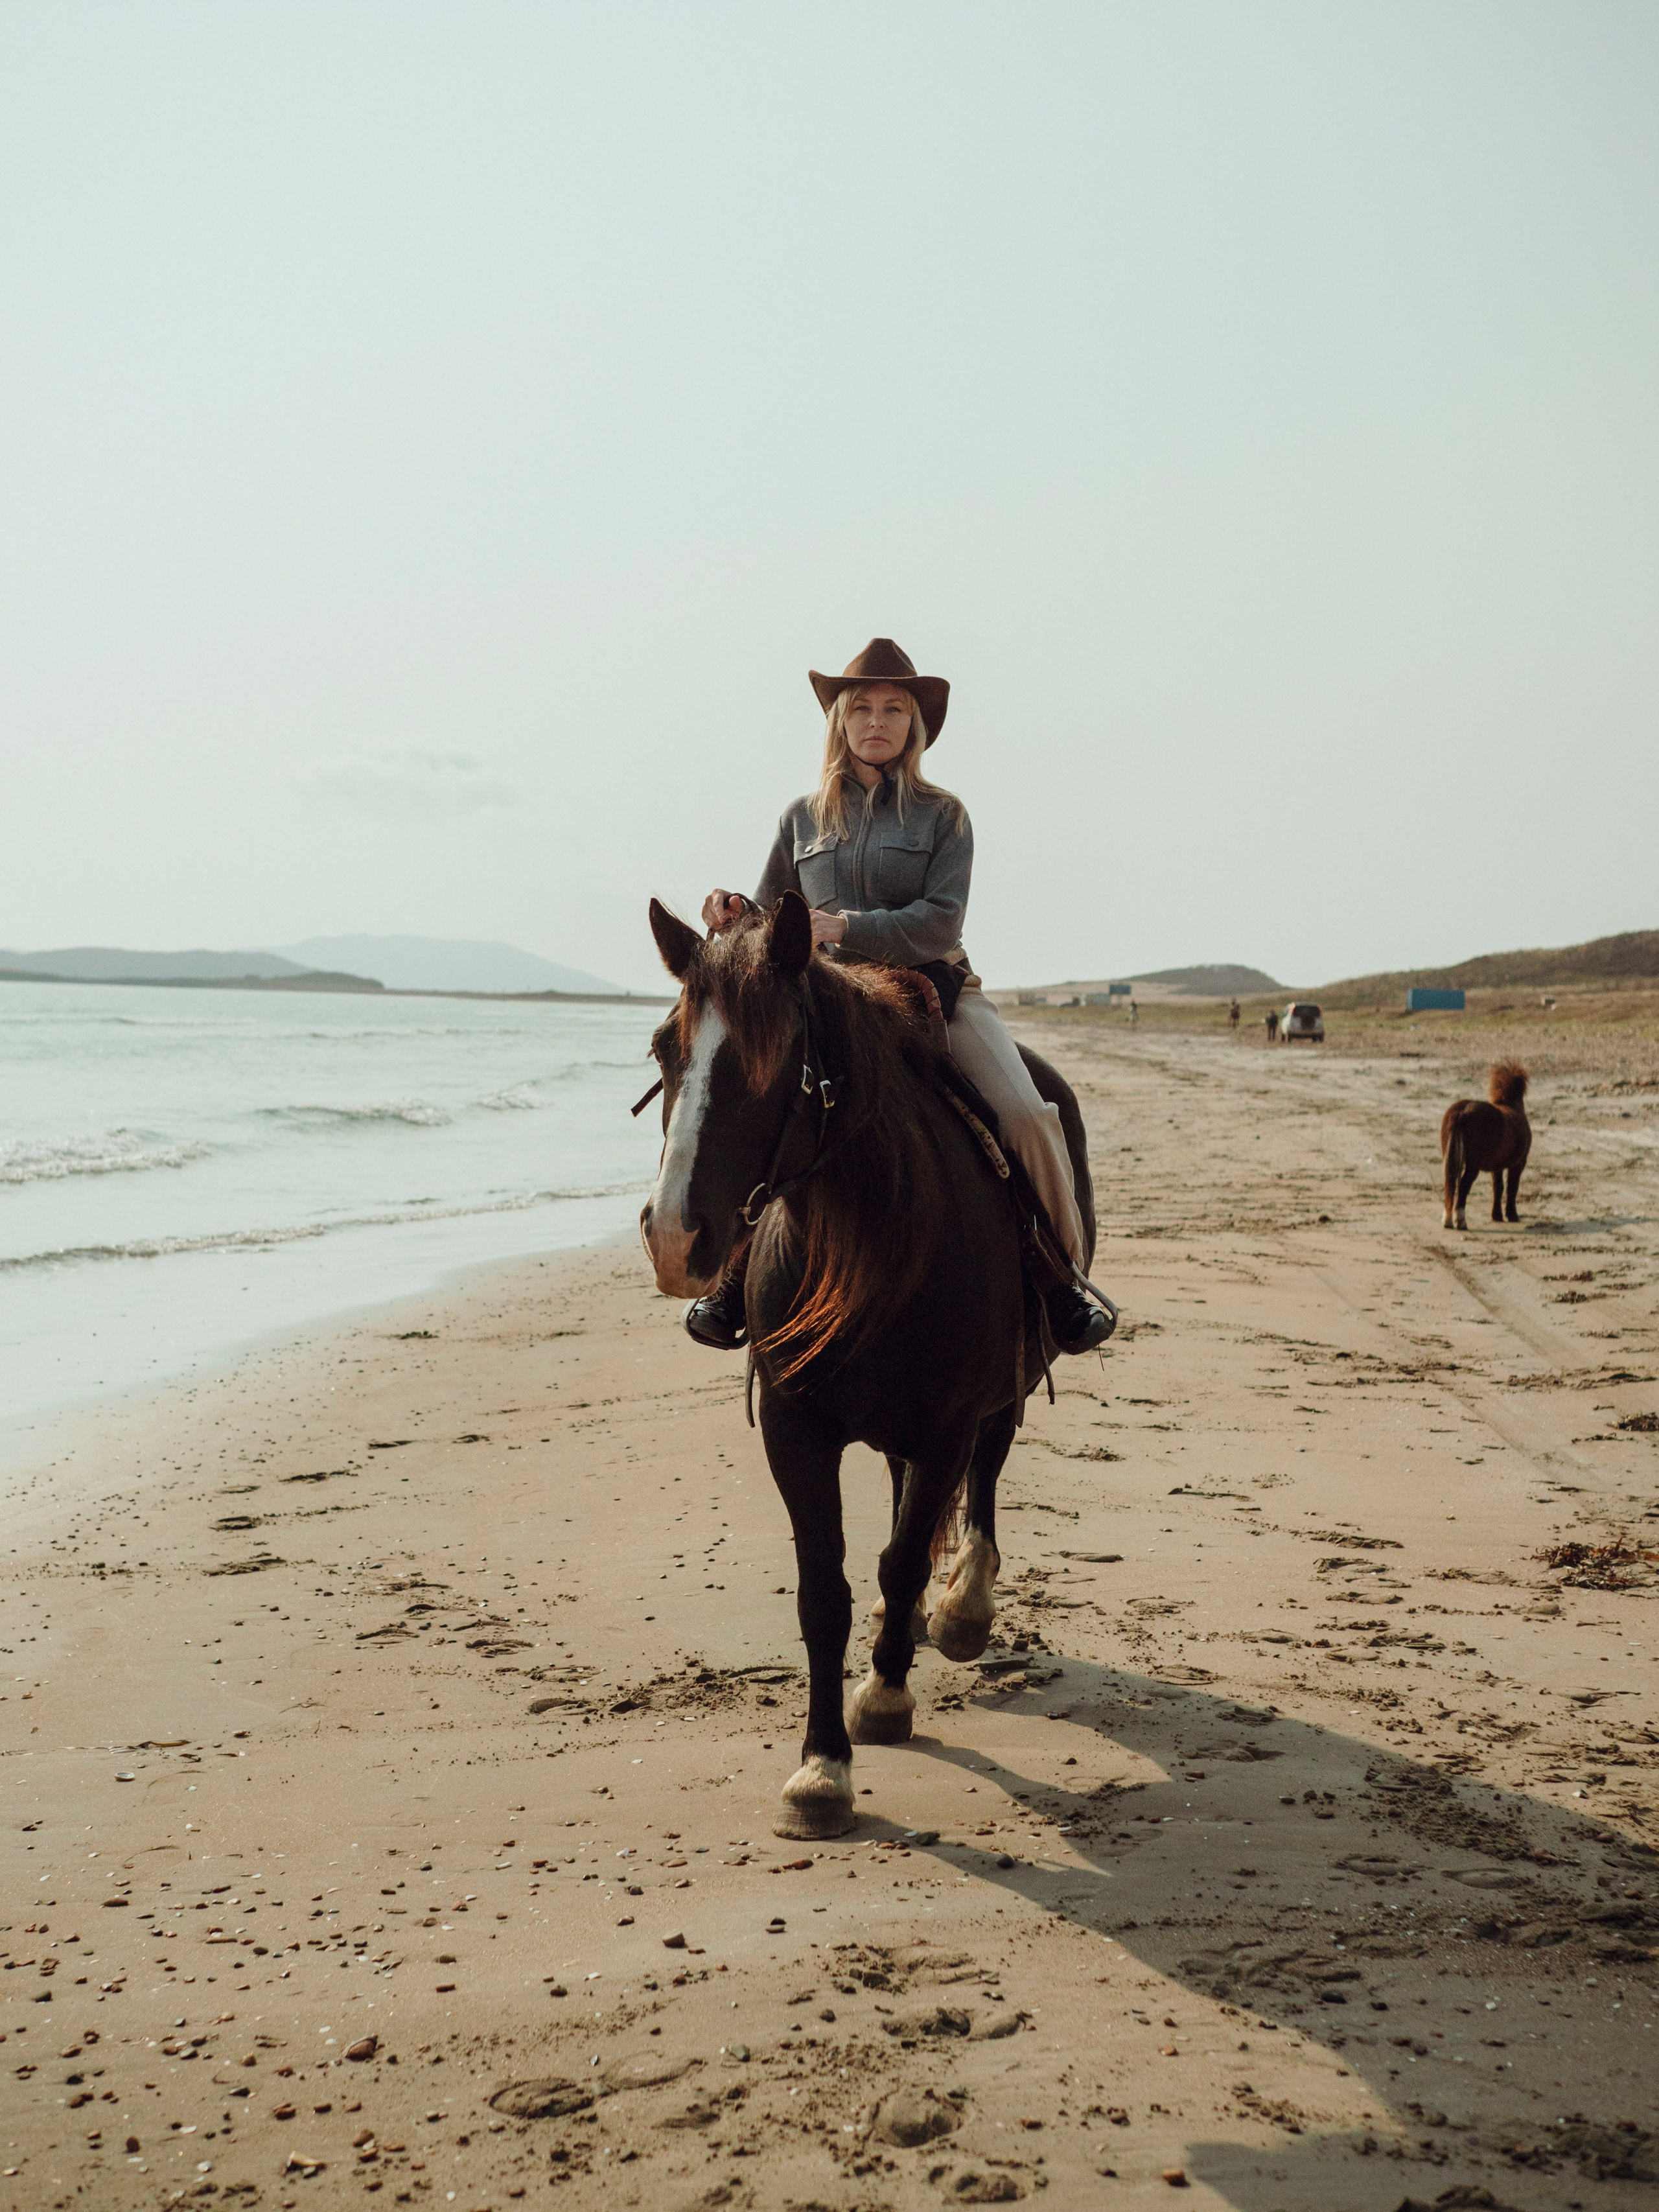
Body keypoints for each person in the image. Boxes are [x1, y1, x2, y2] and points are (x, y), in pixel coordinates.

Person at [689, 636, 1110, 1357]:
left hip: (935, 992)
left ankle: (1058, 1275)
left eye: (892, 709)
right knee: (756, 1112)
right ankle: (731, 1279)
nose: (876, 721)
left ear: (914, 726)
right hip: (827, 1006)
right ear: (841, 722)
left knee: (1027, 1112)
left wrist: (846, 925)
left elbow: (940, 920)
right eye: (861, 708)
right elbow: (770, 919)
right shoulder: (800, 817)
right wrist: (734, 915)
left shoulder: (944, 815)